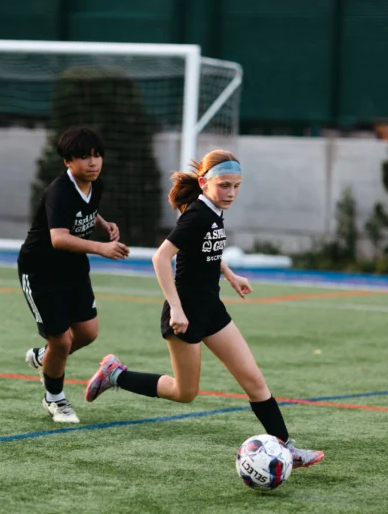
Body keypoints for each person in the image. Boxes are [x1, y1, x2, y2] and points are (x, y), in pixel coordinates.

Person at [84, 150, 324, 468]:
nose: (231, 193)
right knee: (185, 392)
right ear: (204, 183)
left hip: (212, 309)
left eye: (237, 186)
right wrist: (176, 308)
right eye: (225, 185)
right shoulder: (197, 214)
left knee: (254, 380)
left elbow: (205, 250)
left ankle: (286, 447)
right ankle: (115, 374)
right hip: (185, 315)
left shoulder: (213, 211)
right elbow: (160, 258)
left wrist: (229, 274)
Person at [17, 126, 130, 423]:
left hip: (74, 268)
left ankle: (44, 357)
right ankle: (54, 398)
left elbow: (86, 208)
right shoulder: (59, 190)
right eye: (83, 157)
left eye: (97, 156)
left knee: (88, 333)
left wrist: (103, 223)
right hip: (41, 270)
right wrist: (101, 247)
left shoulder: (96, 184)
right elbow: (58, 238)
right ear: (67, 161)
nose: (93, 163)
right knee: (63, 341)